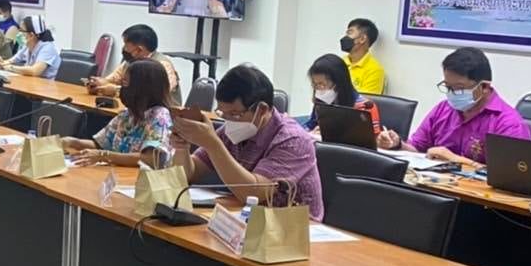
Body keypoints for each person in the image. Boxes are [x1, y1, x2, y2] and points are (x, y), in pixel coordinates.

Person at [169, 64, 324, 220]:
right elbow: (188, 175)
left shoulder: (293, 140)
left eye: (235, 114)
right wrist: (182, 148)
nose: (229, 121)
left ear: (262, 110)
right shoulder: (231, 130)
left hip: (291, 227)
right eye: (223, 113)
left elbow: (252, 193)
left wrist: (212, 144)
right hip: (245, 218)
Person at [378, 46, 531, 163]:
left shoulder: (508, 124)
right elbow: (417, 148)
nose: (452, 94)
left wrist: (456, 160)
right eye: (448, 87)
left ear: (484, 87)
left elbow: (510, 178)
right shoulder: (443, 109)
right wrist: (397, 145)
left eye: (459, 88)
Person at [65, 59, 173, 167]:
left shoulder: (160, 117)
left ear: (140, 87)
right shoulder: (127, 114)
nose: (121, 89)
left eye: (125, 83)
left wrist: (104, 155)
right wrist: (73, 142)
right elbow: (101, 144)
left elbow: (151, 159)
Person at [91, 24, 184, 104]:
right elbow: (114, 79)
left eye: (126, 45)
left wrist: (116, 91)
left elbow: (153, 95)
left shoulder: (162, 66)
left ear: (139, 50)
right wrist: (99, 84)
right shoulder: (130, 61)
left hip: (163, 115)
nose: (124, 49)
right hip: (135, 111)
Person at [302, 53, 379, 136]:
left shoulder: (365, 107)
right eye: (315, 84)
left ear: (339, 83)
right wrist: (310, 133)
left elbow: (373, 140)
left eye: (322, 84)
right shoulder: (321, 102)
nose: (318, 89)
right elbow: (310, 125)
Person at [341, 17, 386, 95]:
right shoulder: (340, 62)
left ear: (362, 39)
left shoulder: (374, 70)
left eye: (350, 33)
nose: (345, 37)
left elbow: (365, 101)